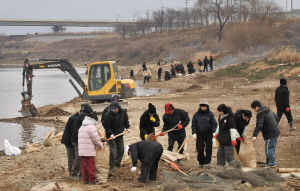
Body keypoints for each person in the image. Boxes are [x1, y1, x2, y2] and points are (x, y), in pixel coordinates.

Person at [102, 101, 130, 171]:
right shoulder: (107, 115)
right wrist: (111, 133)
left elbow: (125, 120)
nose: (113, 110)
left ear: (118, 108)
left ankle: (117, 163)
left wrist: (127, 127)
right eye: (112, 109)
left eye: (115, 109)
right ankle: (111, 166)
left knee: (120, 150)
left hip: (119, 134)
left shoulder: (122, 112)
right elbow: (106, 126)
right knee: (112, 151)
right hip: (111, 135)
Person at [251, 101, 280, 168]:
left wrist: (254, 135)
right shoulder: (268, 110)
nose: (254, 110)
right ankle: (268, 162)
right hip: (274, 131)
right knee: (269, 148)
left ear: (257, 107)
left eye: (254, 108)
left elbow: (259, 125)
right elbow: (277, 119)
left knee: (269, 149)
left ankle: (272, 163)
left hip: (271, 133)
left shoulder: (261, 114)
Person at [70, 103, 94, 179]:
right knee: (79, 157)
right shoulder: (83, 117)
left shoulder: (83, 116)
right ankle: (73, 174)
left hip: (80, 139)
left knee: (82, 156)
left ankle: (81, 174)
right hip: (77, 140)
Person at [78, 113, 103, 185]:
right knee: (91, 165)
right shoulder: (91, 127)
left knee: (84, 166)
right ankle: (92, 180)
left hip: (82, 150)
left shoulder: (82, 126)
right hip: (88, 150)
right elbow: (96, 139)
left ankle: (85, 180)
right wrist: (100, 145)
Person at [191, 99, 217, 168]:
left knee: (208, 149)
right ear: (200, 107)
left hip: (208, 134)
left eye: (204, 106)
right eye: (202, 106)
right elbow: (194, 125)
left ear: (207, 106)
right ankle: (201, 162)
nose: (203, 107)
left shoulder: (211, 114)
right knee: (200, 149)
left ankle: (207, 163)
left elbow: (214, 124)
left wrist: (214, 132)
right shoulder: (196, 115)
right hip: (200, 134)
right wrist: (194, 133)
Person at [61, 110, 79, 178]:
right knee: (72, 157)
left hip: (73, 140)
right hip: (69, 141)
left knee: (75, 156)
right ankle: (71, 173)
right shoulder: (73, 119)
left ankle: (74, 171)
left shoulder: (77, 118)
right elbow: (74, 131)